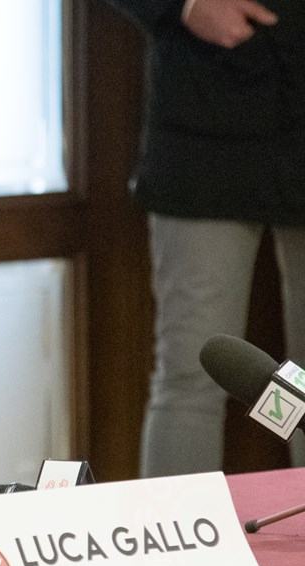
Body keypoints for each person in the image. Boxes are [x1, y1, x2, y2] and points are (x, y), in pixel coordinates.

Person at [106, 0, 305, 476]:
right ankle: (178, 527)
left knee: (304, 385)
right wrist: (185, 5)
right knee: (192, 377)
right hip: (202, 131)